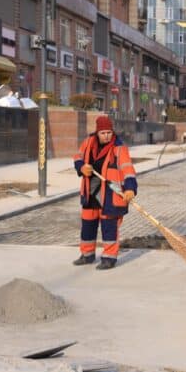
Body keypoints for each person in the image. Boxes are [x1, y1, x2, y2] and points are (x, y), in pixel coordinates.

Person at [72, 115, 137, 270]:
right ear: (97, 132)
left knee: (109, 226)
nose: (106, 135)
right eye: (103, 133)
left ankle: (109, 258)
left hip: (110, 194)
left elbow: (127, 169)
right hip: (90, 192)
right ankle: (87, 255)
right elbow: (77, 157)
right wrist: (81, 167)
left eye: (109, 132)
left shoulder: (119, 147)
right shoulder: (88, 143)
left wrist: (130, 188)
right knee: (88, 225)